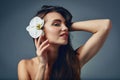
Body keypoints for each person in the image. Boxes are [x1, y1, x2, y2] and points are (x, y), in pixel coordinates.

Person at [18, 5, 112, 80]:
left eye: (66, 24)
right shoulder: (25, 65)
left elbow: (104, 25)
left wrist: (67, 26)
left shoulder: (74, 61)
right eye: (56, 24)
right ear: (41, 31)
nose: (65, 28)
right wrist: (42, 65)